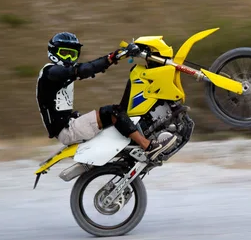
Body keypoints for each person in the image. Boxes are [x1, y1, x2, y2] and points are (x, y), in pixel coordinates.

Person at [36, 32, 178, 159]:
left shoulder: (57, 74)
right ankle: (149, 147)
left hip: (68, 124)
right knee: (113, 112)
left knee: (120, 112)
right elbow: (84, 70)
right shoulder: (51, 72)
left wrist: (119, 55)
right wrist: (113, 56)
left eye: (72, 54)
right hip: (67, 130)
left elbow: (90, 69)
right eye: (64, 53)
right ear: (53, 53)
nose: (68, 58)